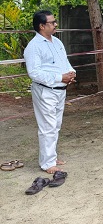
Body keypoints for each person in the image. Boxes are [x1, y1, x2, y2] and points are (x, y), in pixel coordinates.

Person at [24, 10, 76, 174]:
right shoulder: (34, 47)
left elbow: (65, 63)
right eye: (52, 22)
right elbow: (34, 73)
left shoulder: (57, 43)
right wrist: (59, 77)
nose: (55, 25)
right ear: (41, 26)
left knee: (56, 125)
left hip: (60, 90)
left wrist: (71, 73)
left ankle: (51, 157)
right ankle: (47, 163)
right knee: (48, 126)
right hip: (45, 90)